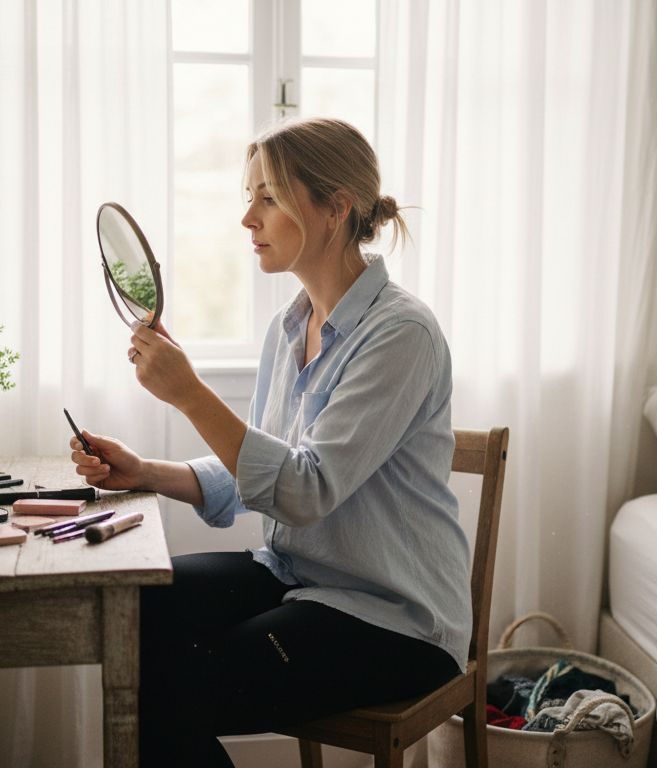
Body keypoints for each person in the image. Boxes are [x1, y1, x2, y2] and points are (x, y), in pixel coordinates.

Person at [70, 117, 471, 768]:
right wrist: (145, 470)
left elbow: (304, 490)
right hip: (295, 575)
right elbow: (257, 468)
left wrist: (190, 394)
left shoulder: (402, 335)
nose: (247, 219)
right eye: (247, 197)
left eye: (268, 198)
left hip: (394, 617)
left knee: (174, 691)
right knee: (137, 619)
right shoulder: (289, 328)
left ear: (335, 207)